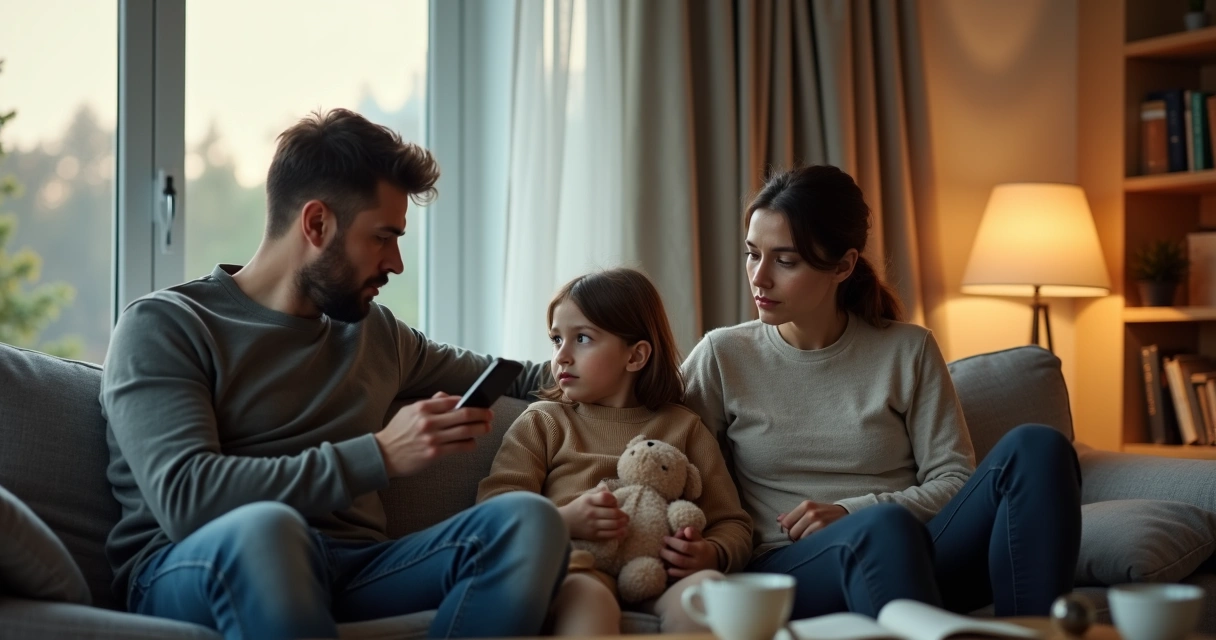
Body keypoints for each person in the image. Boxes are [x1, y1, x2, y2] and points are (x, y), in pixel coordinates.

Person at [100, 109, 569, 640]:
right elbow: (187, 499)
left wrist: (648, 368)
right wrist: (382, 454)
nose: (395, 263)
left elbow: (526, 376)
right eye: (382, 237)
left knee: (528, 523)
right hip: (194, 567)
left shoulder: (377, 334)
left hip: (354, 570)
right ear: (317, 223)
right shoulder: (167, 325)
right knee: (269, 531)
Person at [682, 165, 1082, 619]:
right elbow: (663, 446)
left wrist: (852, 510)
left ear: (844, 265)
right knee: (881, 528)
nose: (759, 277)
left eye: (785, 260)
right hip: (793, 568)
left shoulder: (909, 349)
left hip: (919, 552)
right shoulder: (723, 355)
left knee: (1038, 446)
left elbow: (953, 481)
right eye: (753, 254)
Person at [477, 268, 752, 636]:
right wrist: (565, 519)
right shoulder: (544, 421)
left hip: (663, 575)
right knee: (589, 601)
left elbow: (732, 522)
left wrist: (712, 552)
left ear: (636, 356)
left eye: (583, 339)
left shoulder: (684, 427)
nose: (561, 356)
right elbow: (497, 507)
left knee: (705, 594)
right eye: (556, 339)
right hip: (577, 568)